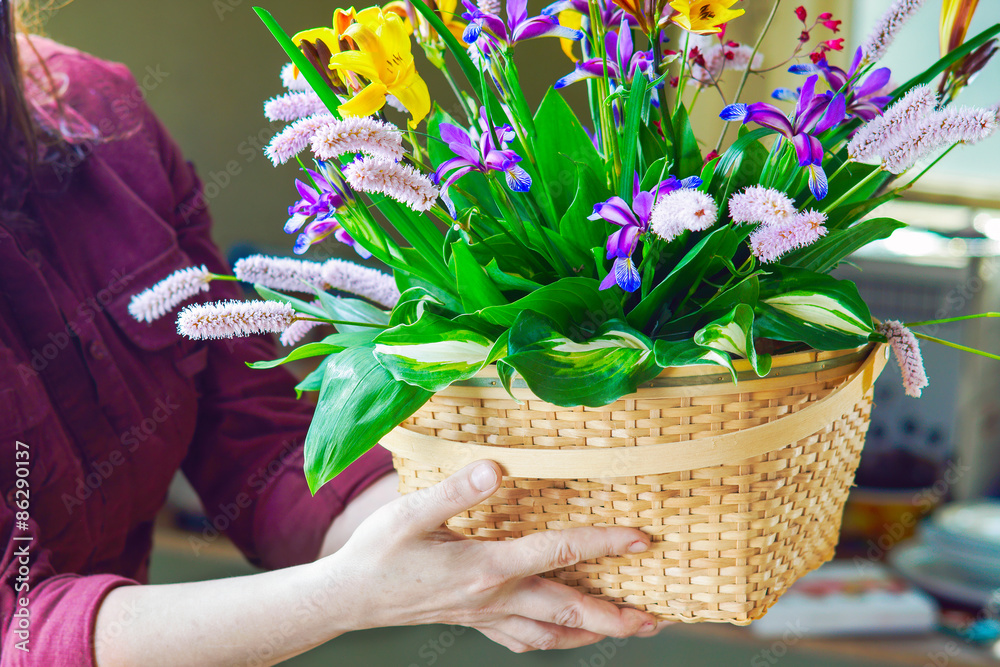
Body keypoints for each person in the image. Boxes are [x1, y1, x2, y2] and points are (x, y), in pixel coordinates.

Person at [0, 3, 661, 664]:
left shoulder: (101, 112)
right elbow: (19, 634)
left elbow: (260, 446)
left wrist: (490, 524)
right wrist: (344, 596)